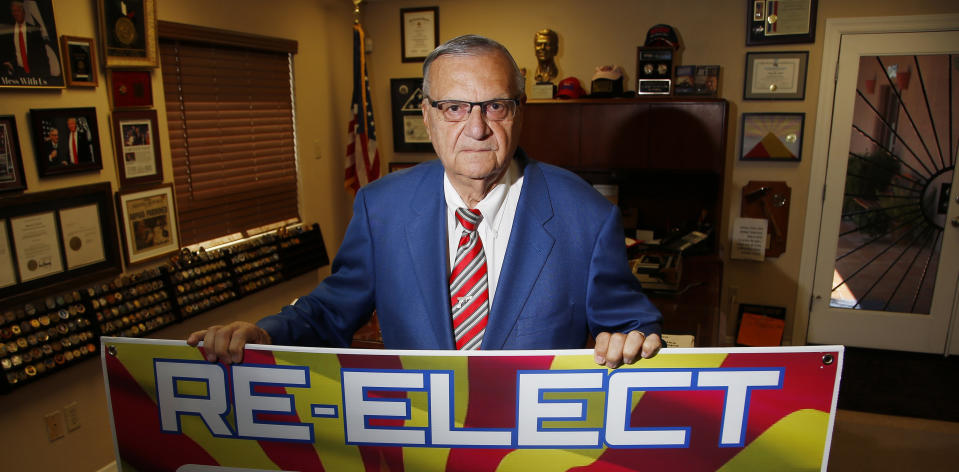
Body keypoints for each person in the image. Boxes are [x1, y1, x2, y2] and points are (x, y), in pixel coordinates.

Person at [188, 34, 662, 368]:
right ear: (428, 117)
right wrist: (265, 333)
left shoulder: (586, 216)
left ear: (519, 113)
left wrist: (632, 336)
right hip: (419, 454)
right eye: (454, 107)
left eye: (495, 105)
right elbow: (331, 311)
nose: (476, 129)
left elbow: (629, 320)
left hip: (532, 453)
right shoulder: (382, 209)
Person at [1, 1, 46, 76]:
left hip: (35, 73)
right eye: (13, 11)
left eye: (18, 10)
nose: (16, 14)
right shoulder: (8, 33)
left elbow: (42, 56)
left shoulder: (34, 31)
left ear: (24, 12)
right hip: (16, 73)